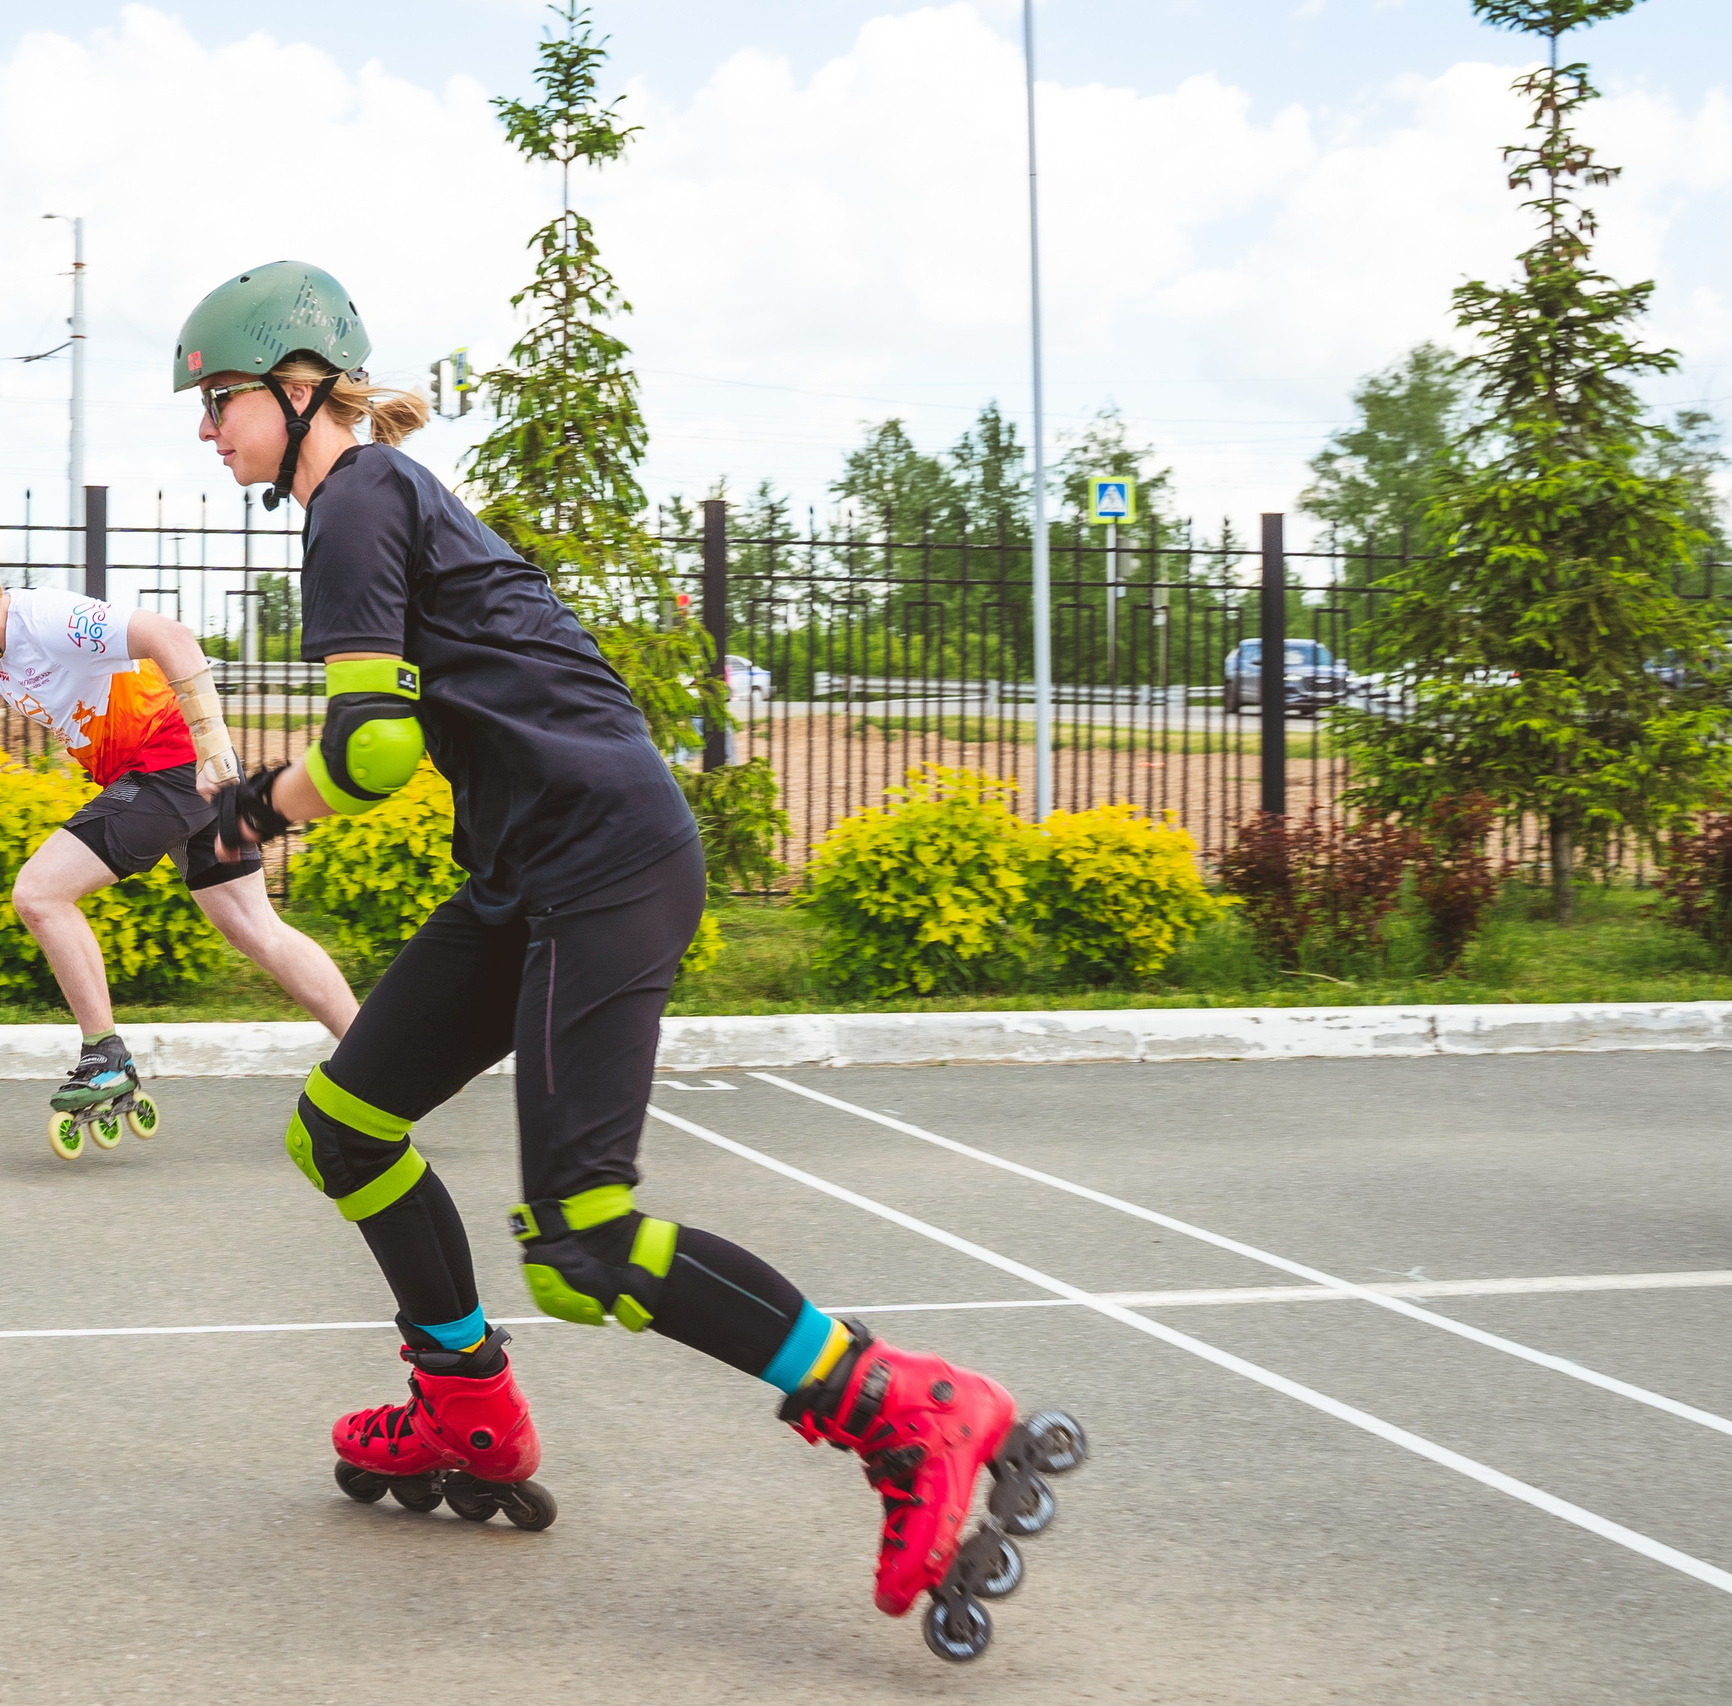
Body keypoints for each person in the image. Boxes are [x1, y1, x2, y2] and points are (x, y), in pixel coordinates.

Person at [176, 260, 1083, 1660]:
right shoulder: (381, 499)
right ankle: (469, 1408)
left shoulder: (357, 494)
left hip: (603, 863)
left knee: (585, 1238)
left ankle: (903, 1404)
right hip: (532, 869)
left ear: (300, 386)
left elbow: (369, 748)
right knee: (345, 1125)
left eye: (219, 398)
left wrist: (243, 813)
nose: (205, 429)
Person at [0, 552, 359, 1158]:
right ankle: (380, 1062)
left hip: (173, 770)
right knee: (257, 929)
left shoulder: (46, 618)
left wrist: (216, 756)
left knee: (39, 893)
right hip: (170, 778)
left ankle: (104, 1056)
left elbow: (170, 637)